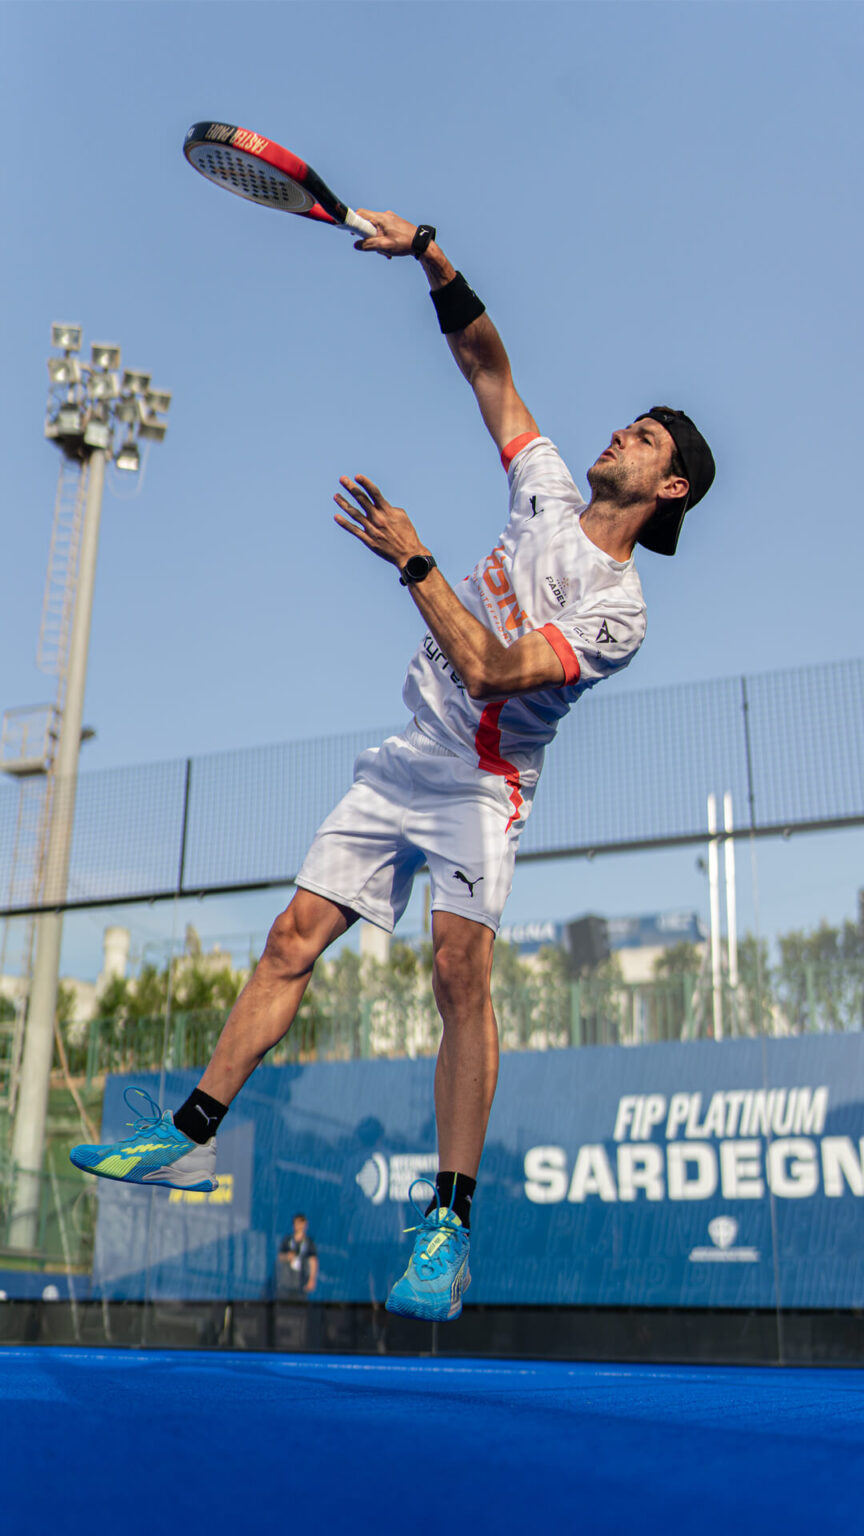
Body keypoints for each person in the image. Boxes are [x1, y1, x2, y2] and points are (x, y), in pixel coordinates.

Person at [71, 212, 715, 1322]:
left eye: (648, 437)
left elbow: (496, 669)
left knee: (459, 974)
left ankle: (447, 1231)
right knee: (290, 938)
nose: (625, 432)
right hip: (407, 754)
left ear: (672, 490)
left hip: (481, 783)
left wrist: (415, 561)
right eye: (632, 422)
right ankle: (188, 1132)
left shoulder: (621, 611)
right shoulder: (546, 487)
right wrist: (430, 253)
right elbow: (487, 366)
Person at [276, 1214, 319, 1299]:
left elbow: (313, 1261)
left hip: (301, 1283)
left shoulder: (309, 1243)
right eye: (297, 1223)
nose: (299, 1226)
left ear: (305, 1225)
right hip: (286, 1282)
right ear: (293, 1225)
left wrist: (312, 1279)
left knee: (299, 1304)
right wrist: (287, 1256)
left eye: (301, 1223)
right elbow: (280, 1256)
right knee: (284, 1304)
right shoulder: (287, 1240)